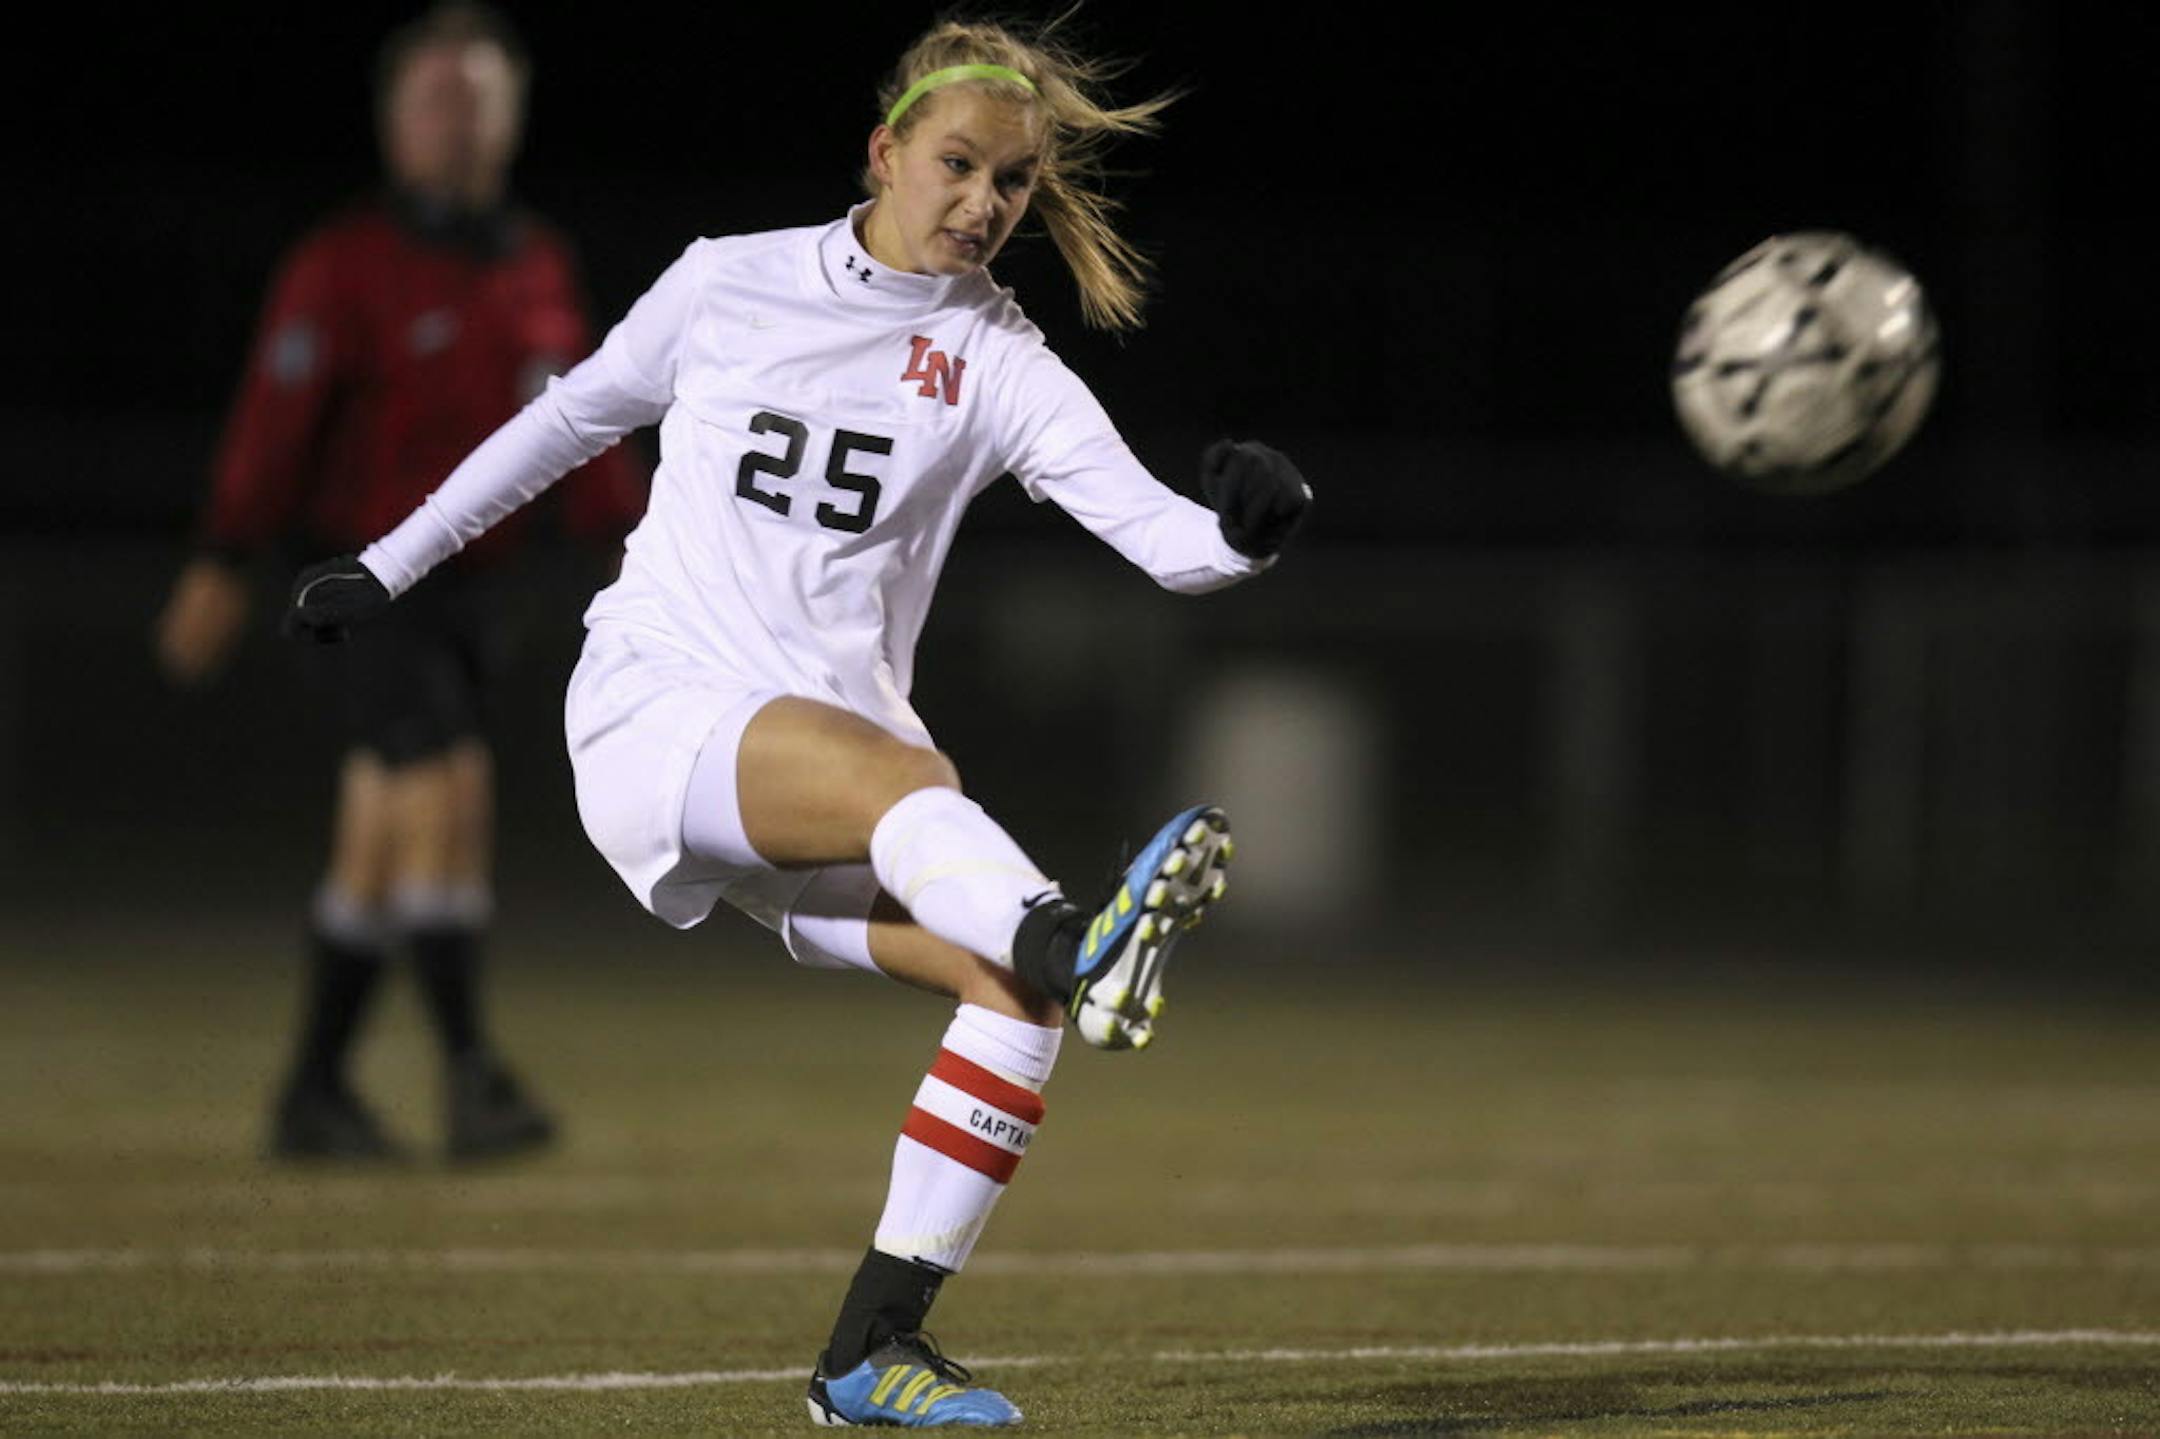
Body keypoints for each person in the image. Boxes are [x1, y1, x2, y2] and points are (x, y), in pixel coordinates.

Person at [285, 15, 1309, 1426]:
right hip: (661, 709)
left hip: (826, 772)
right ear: (885, 150)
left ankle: (866, 1353)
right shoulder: (730, 281)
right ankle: (1084, 932)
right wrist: (389, 563)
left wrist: (1246, 534)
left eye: (1012, 183)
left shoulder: (999, 359)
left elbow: (1165, 540)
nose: (983, 204)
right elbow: (570, 419)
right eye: (958, 164)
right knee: (930, 802)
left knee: (1012, 999)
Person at [156, 4, 646, 1163]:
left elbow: (582, 424)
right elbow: (273, 428)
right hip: (363, 584)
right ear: (392, 120)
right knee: (446, 786)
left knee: (380, 832)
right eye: (434, 97)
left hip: (483, 593)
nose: (456, 120)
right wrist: (224, 558)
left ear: (513, 119)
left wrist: (637, 543)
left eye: (477, 97)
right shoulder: (344, 263)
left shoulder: (535, 263)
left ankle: (313, 1089)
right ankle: (473, 1073)